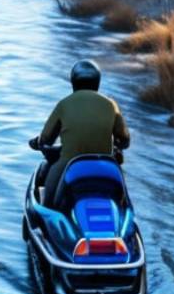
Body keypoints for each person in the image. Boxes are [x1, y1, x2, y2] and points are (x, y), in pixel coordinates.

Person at [30, 59, 130, 204]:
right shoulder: (110, 104)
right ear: (98, 82)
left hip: (68, 163)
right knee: (123, 203)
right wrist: (117, 146)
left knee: (48, 202)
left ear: (73, 82)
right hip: (105, 166)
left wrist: (38, 142)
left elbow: (46, 139)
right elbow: (125, 140)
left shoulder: (64, 104)